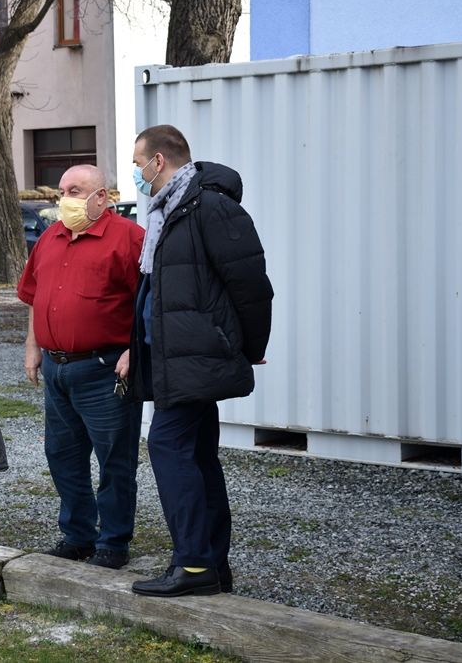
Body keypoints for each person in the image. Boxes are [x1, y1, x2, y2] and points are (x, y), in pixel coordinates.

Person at [126, 124, 273, 597]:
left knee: (168, 446)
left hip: (197, 356)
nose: (136, 174)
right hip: (174, 357)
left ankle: (193, 564)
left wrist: (251, 346)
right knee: (197, 457)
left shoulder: (209, 207)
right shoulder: (166, 212)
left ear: (159, 161)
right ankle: (211, 564)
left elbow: (251, 284)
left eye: (138, 164)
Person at [17, 164, 145, 569]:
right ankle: (77, 535)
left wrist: (136, 350)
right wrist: (32, 345)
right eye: (62, 191)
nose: (65, 199)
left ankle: (113, 542)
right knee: (62, 455)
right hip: (57, 368)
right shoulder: (50, 237)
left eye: (75, 191)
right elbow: (35, 295)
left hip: (105, 369)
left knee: (114, 460)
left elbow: (150, 301)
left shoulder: (129, 238)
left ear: (101, 196)